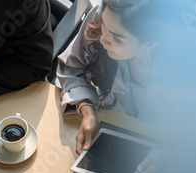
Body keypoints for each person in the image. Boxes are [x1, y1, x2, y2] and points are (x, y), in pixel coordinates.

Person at [56, 0, 158, 155]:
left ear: (150, 44)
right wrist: (86, 108)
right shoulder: (107, 13)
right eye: (103, 24)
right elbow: (71, 68)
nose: (102, 39)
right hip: (106, 125)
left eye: (117, 39)